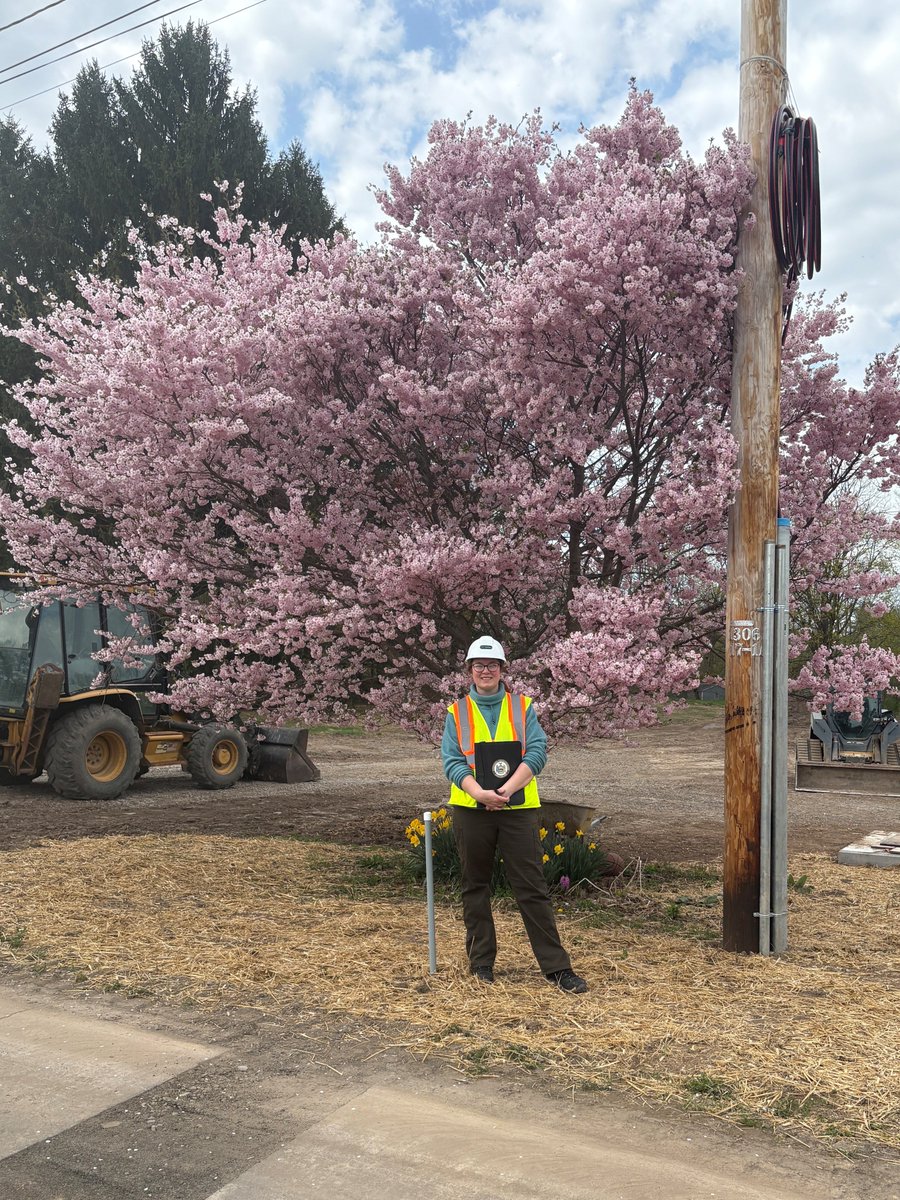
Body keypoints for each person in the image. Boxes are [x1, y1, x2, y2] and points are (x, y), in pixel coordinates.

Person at [441, 634, 588, 993]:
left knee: (532, 888)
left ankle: (556, 968)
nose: (486, 671)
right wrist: (479, 794)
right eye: (479, 665)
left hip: (518, 807)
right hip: (471, 809)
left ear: (503, 669)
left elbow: (537, 752)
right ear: (469, 671)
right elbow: (451, 762)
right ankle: (481, 964)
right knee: (475, 886)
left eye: (492, 665)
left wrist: (507, 791)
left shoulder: (522, 707)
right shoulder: (455, 712)